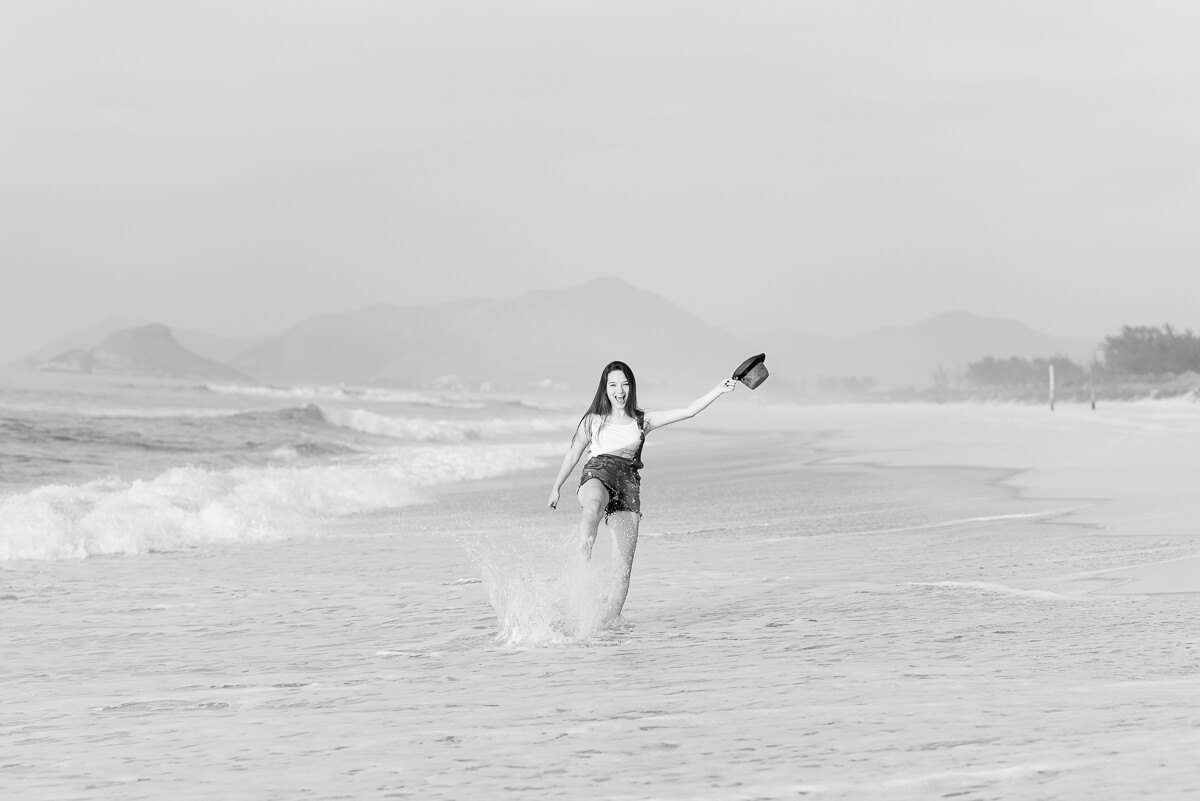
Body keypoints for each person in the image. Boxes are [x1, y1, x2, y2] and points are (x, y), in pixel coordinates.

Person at [547, 360, 737, 623]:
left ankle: (606, 624)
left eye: (624, 384)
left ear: (631, 387)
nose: (619, 390)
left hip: (628, 485)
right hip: (598, 473)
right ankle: (584, 555)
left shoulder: (641, 420)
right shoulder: (593, 421)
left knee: (622, 570)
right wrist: (556, 487)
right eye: (613, 384)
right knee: (593, 506)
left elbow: (688, 411)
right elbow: (573, 455)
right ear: (605, 388)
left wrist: (718, 389)